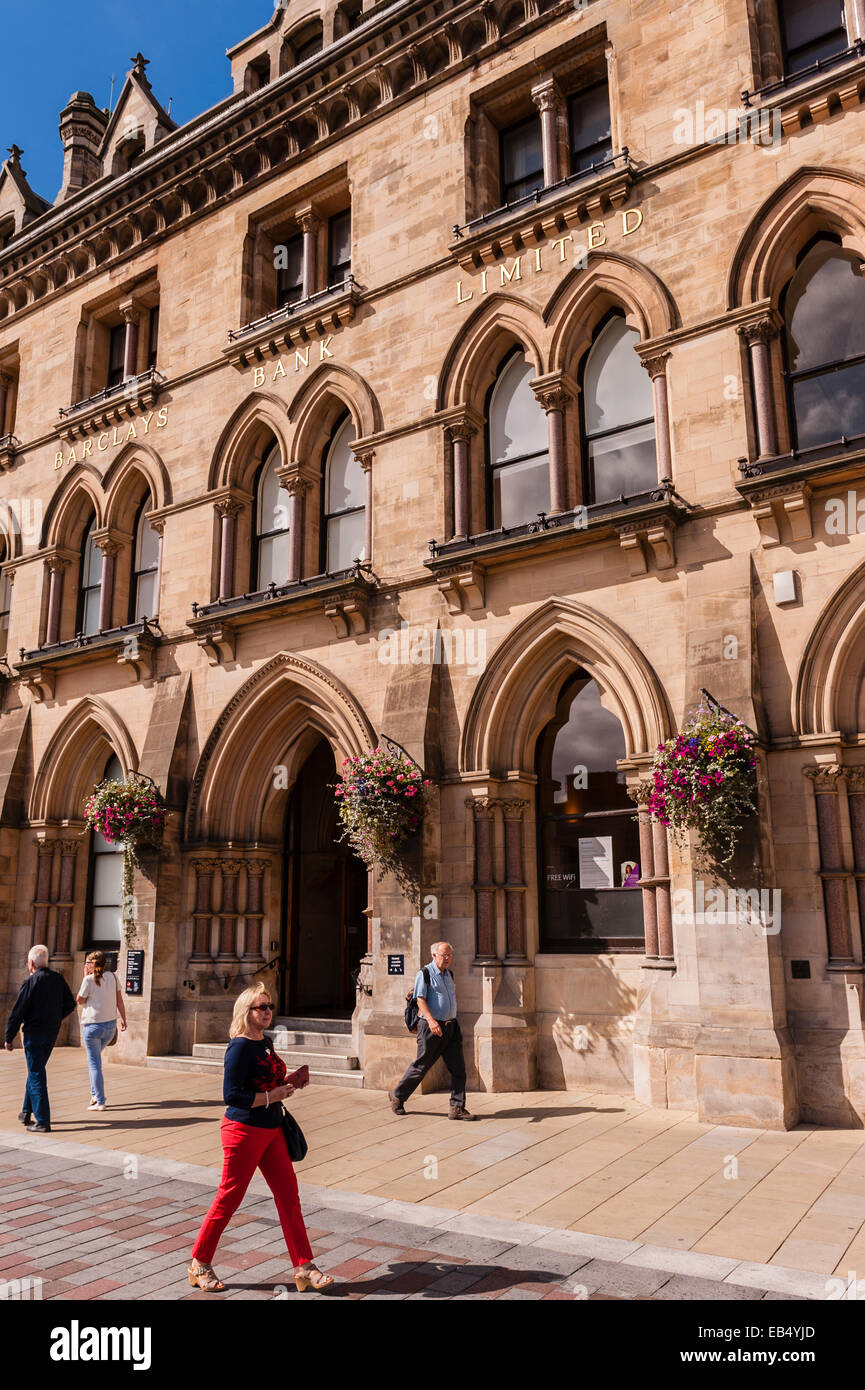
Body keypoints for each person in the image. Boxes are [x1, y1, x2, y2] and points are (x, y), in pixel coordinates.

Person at [188, 984, 334, 1294]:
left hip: (272, 1130)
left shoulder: (264, 1043)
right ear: (246, 1012)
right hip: (244, 1132)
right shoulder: (239, 1047)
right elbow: (232, 1095)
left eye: (269, 1006)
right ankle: (199, 1263)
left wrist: (288, 1083)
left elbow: (267, 1080)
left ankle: (304, 1266)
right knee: (229, 1198)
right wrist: (272, 1096)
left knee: (288, 1197)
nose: (267, 1012)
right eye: (261, 1007)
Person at [389, 941, 476, 1120]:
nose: (447, 958)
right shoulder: (425, 973)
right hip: (431, 1028)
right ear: (434, 955)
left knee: (458, 1068)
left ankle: (457, 1107)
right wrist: (431, 1021)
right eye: (444, 955)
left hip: (451, 1026)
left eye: (450, 955)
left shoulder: (449, 974)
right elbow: (419, 999)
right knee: (422, 1066)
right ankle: (398, 1096)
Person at [3, 944, 77, 1133]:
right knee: (35, 1070)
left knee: (36, 1074)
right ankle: (26, 1111)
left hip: (34, 1033)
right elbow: (70, 1004)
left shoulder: (31, 982)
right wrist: (56, 1018)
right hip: (51, 1033)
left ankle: (43, 1120)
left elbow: (18, 1011)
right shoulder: (58, 979)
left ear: (31, 963)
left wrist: (8, 1037)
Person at [76, 950, 127, 1111]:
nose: (85, 966)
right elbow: (119, 1001)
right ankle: (94, 1094)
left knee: (94, 1064)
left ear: (92, 965)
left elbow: (80, 1001)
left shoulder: (89, 980)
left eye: (87, 963)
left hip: (92, 1027)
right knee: (95, 1062)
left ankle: (100, 1100)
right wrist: (124, 1019)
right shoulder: (112, 976)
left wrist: (85, 977)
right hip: (110, 1027)